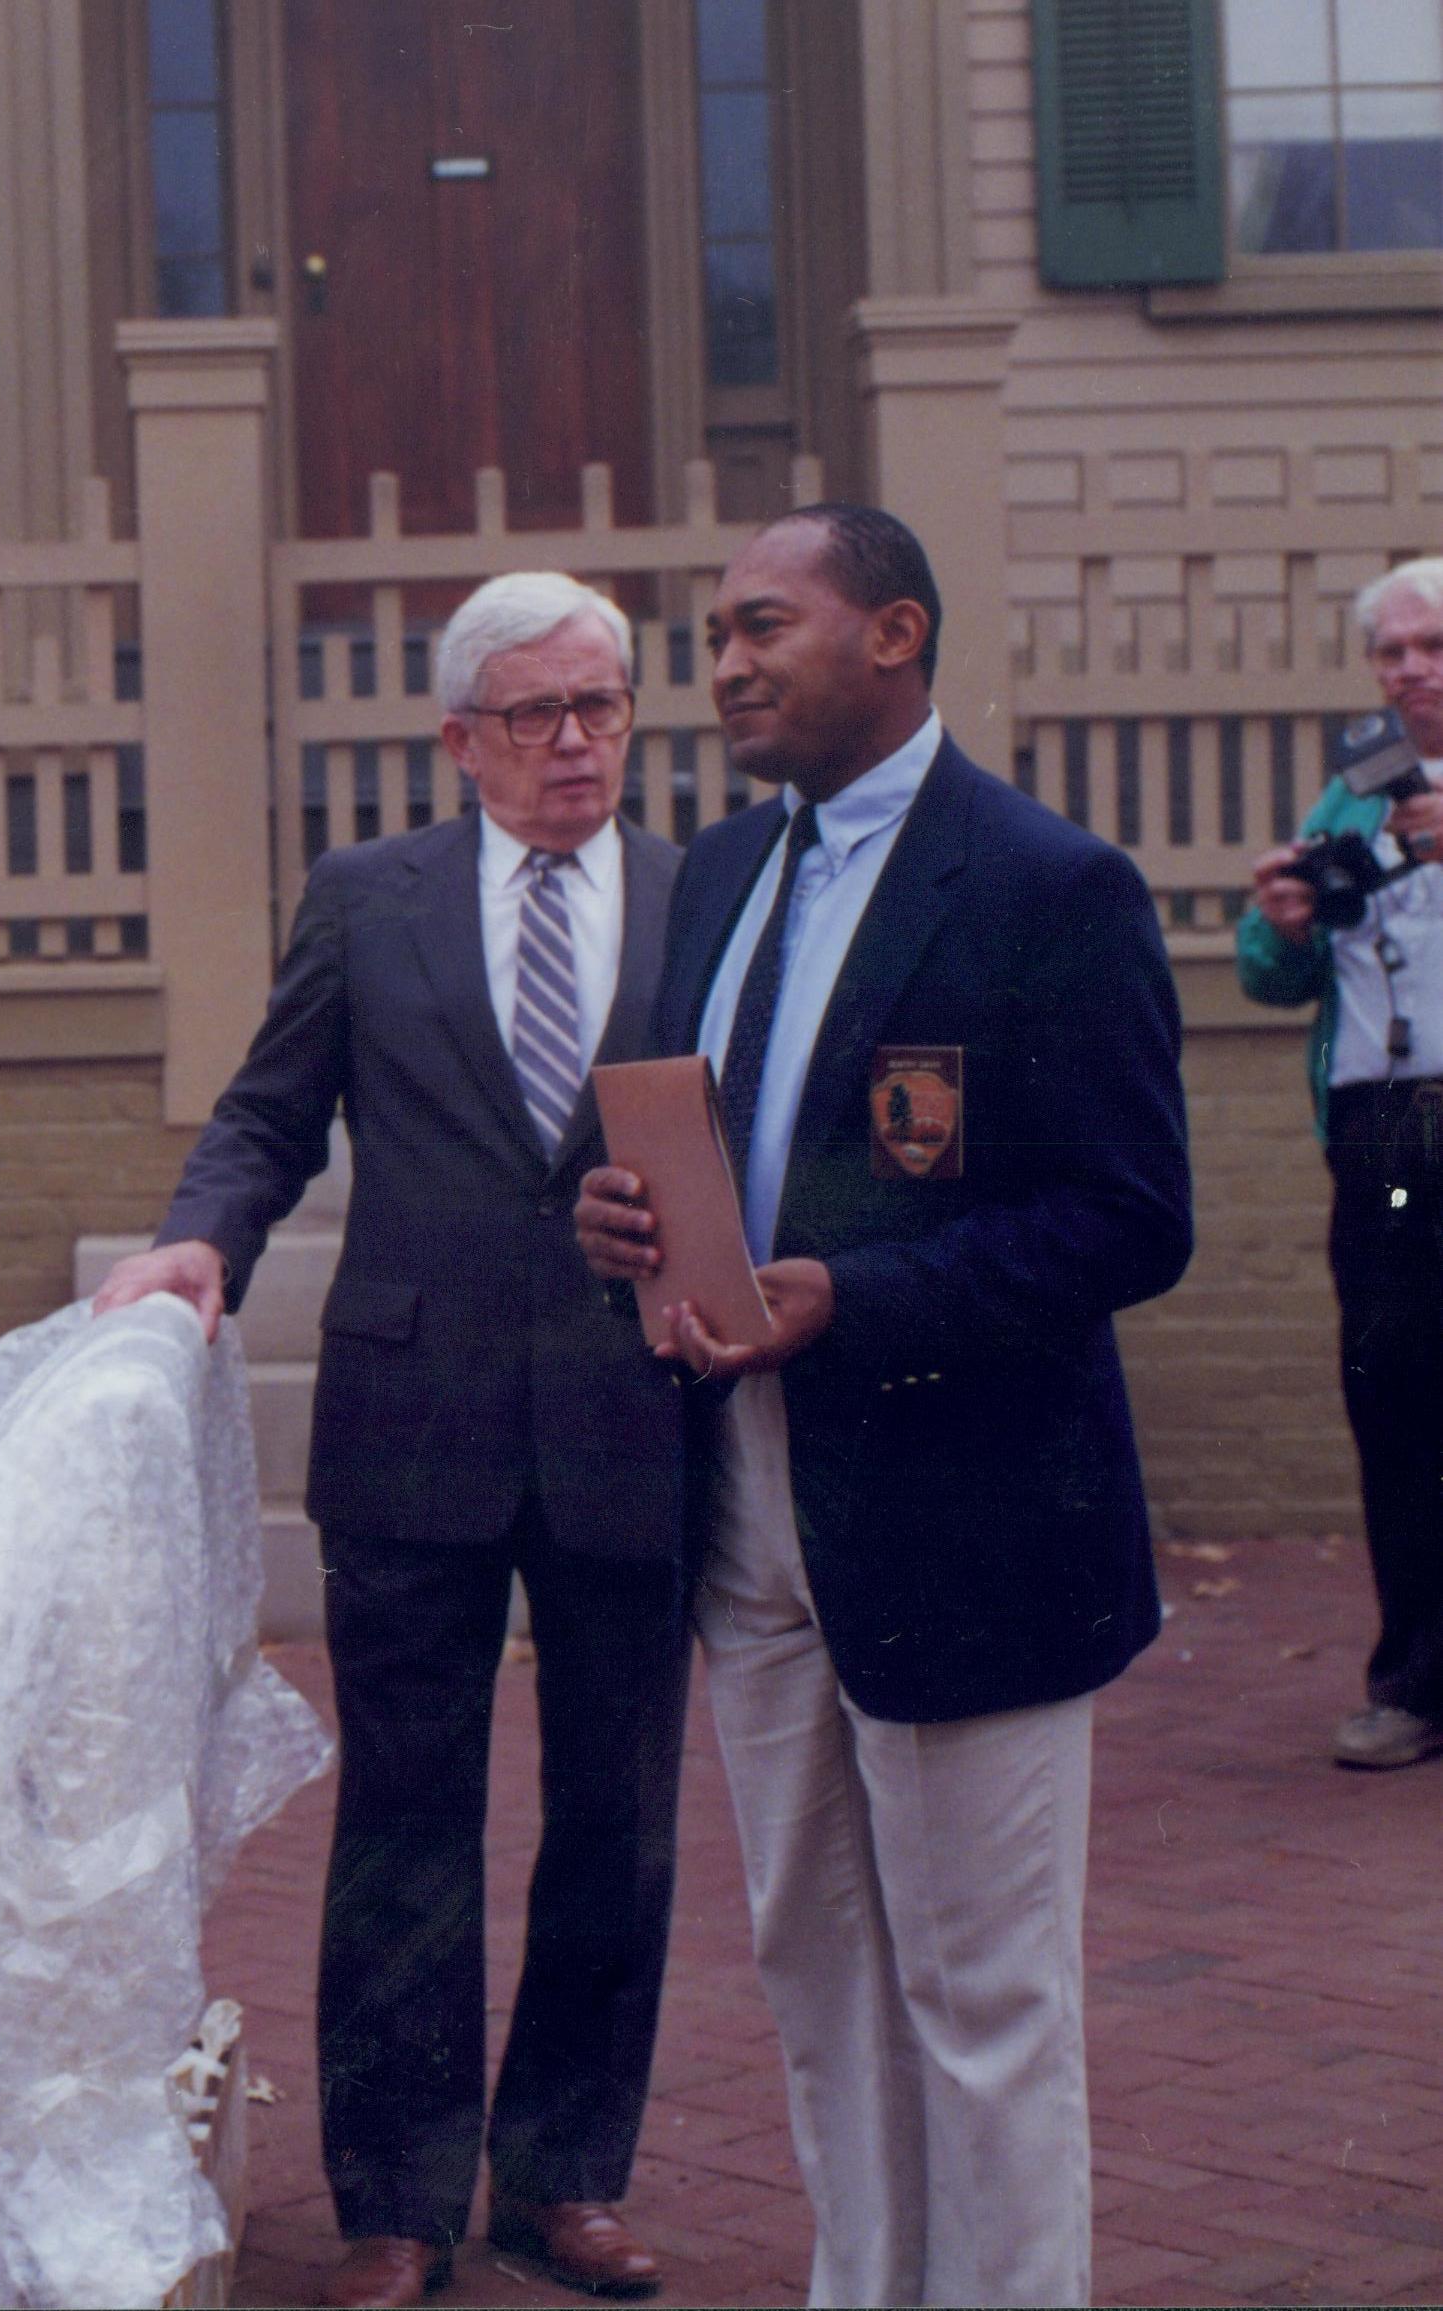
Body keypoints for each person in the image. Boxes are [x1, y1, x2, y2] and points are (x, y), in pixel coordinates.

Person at [576, 506, 1193, 2306]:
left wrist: (863, 1298)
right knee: (817, 1966)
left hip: (965, 1510)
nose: (727, 666)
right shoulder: (715, 875)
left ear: (897, 633)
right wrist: (614, 1217)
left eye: (765, 625)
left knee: (984, 1994)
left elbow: (1131, 1219)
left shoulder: (1040, 885)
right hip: (752, 1503)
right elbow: (696, 1131)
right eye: (713, 637)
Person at [99, 572, 688, 2307]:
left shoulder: (698, 895)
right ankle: (399, 2201)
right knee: (407, 1822)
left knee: (619, 1817)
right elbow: (269, 1111)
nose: (574, 744)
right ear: (456, 739)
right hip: (413, 1413)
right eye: (534, 716)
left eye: (600, 709)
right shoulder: (368, 902)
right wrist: (200, 1237)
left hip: (626, 1416)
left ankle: (564, 2178)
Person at [1239, 554, 1443, 1772]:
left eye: (1432, 647)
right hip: (1387, 1141)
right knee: (1399, 1398)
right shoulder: (1348, 800)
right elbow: (1275, 983)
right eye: (1391, 652)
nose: (1410, 670)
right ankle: (1412, 1680)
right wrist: (1276, 916)